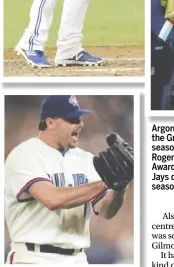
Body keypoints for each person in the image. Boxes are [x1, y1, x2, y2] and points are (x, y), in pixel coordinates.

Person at [5, 95, 129, 265]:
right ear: (50, 123)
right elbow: (52, 199)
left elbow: (106, 211)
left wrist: (120, 187)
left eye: (79, 118)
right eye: (72, 119)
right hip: (34, 257)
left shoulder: (85, 159)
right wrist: (106, 182)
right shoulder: (25, 154)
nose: (80, 124)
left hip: (77, 258)